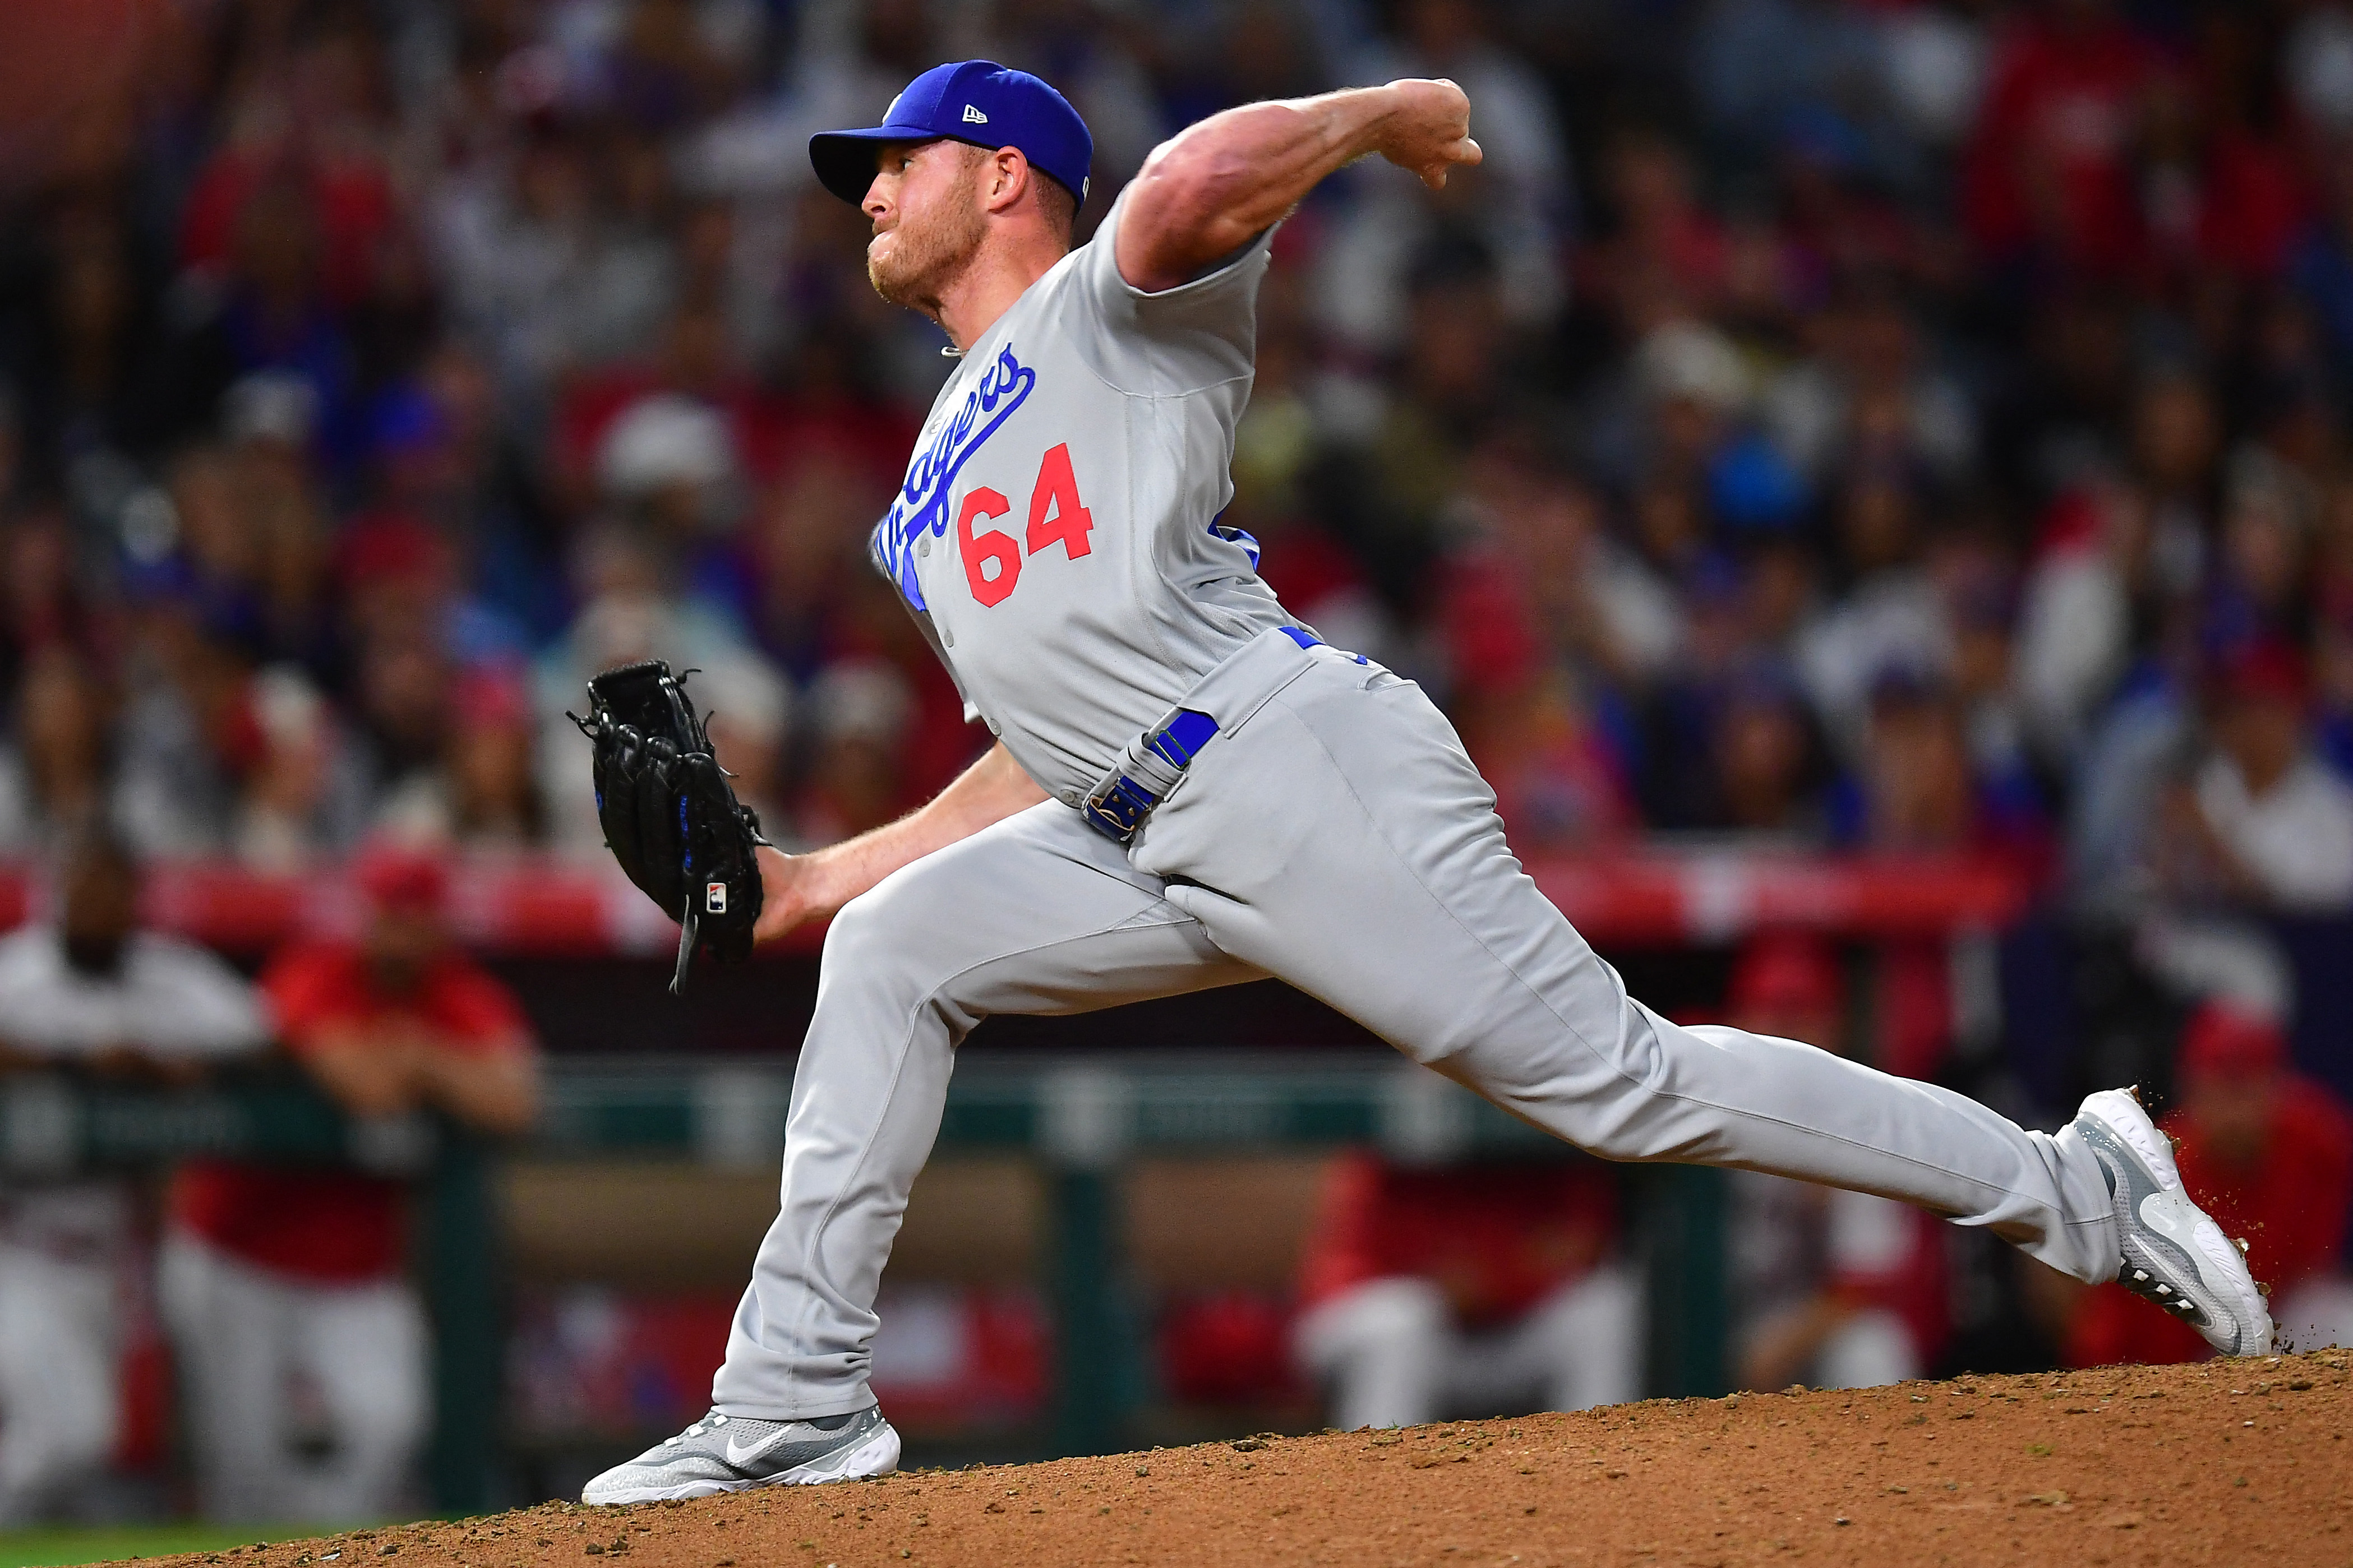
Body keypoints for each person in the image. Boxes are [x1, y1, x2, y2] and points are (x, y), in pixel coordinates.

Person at [579, 61, 2271, 1504]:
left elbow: (1183, 178)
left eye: (897, 162)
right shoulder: (934, 472)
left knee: (1621, 1082)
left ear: (1001, 171)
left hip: (1287, 758)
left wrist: (1381, 109)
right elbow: (1044, 739)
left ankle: (2078, 1186)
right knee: (889, 954)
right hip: (1131, 812)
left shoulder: (1110, 302)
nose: (866, 195)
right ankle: (794, 1398)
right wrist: (817, 877)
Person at [161, 847, 539, 1523]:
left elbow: (515, 1099)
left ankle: (318, 1551)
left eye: (412, 917)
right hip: (239, 1251)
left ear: (436, 924)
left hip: (354, 1266)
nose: (397, 932)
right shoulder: (316, 968)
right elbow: (363, 1085)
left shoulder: (454, 989)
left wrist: (418, 1054)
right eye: (386, 914)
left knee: (388, 1425)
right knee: (242, 1465)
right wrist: (433, 1066)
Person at [0, 828, 266, 1523]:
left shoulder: (164, 973)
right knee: (70, 1436)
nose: (98, 909)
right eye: (85, 892)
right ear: (57, 896)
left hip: (116, 1260)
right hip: (22, 1246)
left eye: (113, 894)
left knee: (89, 1448)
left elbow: (260, 1038)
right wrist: (83, 1062)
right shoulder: (18, 972)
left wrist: (173, 1062)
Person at [2068, 1001, 2353, 1367]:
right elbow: (2113, 1327)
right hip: (2180, 1363)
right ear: (2193, 1090)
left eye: (2247, 1084)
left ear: (2278, 1084)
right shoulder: (2154, 1174)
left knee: (2336, 1316)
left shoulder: (2318, 1142)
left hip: (2277, 1326)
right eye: (2221, 1085)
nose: (2235, 1108)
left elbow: (2315, 1268)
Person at [1291, 1151, 1638, 1430]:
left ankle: (1592, 1484)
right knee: (1401, 1320)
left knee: (1605, 1304)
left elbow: (1580, 1247)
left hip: (1506, 1340)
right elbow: (1342, 1282)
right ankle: (1375, 1490)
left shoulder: (1549, 1133)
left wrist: (1494, 1282)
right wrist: (1436, 1290)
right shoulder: (1384, 1158)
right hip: (1385, 1342)